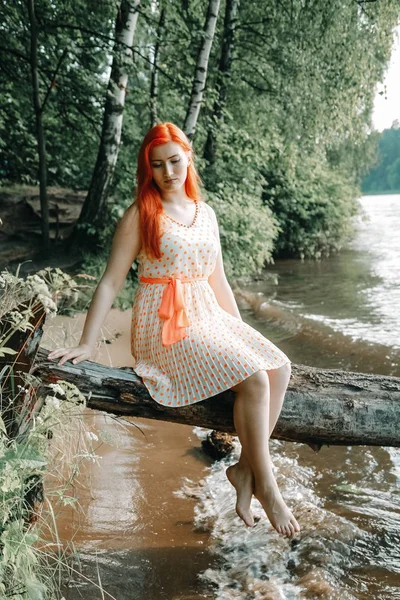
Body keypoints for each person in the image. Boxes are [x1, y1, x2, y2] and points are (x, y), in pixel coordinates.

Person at [48, 122, 301, 538]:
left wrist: (240, 336)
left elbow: (218, 280)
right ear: (148, 169)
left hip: (207, 314)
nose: (168, 172)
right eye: (158, 165)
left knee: (279, 367)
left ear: (189, 158)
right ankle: (267, 485)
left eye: (175, 161)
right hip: (162, 323)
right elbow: (111, 280)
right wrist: (86, 341)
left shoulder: (207, 213)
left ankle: (242, 470)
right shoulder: (141, 214)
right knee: (255, 379)